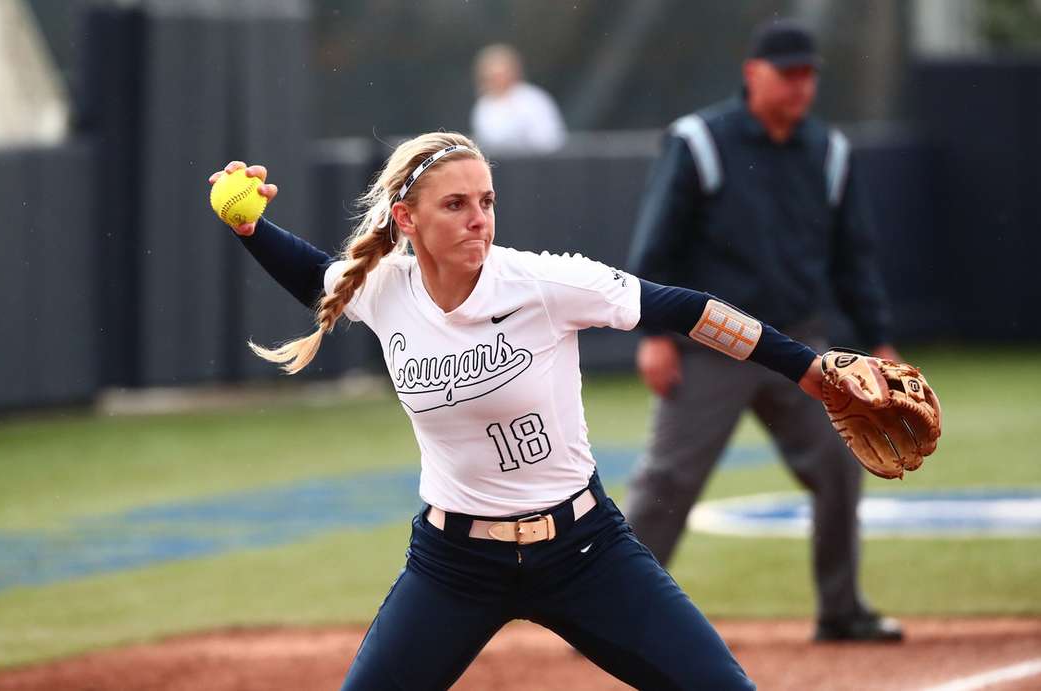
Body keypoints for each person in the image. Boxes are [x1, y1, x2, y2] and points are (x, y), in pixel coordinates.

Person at [211, 131, 840, 690]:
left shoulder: (542, 284)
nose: (477, 220)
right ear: (407, 218)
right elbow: (317, 276)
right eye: (454, 205)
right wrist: (250, 229)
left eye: (486, 202)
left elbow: (687, 308)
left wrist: (808, 369)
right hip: (454, 564)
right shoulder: (386, 290)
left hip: (583, 551)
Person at [622, 19, 903, 642]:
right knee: (668, 481)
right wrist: (655, 335)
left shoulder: (829, 152)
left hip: (800, 345)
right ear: (753, 74)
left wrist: (877, 339)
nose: (801, 86)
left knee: (841, 462)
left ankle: (841, 610)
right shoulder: (700, 141)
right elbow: (657, 244)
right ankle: (617, 615)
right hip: (712, 341)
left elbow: (852, 257)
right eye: (788, 73)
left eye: (809, 74)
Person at [469, 43, 566, 153]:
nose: (498, 80)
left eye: (502, 74)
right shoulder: (483, 105)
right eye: (492, 75)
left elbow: (551, 139)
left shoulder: (533, 99)